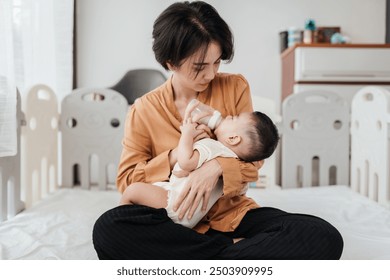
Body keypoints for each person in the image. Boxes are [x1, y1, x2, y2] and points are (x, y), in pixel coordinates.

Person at [93, 1, 343, 260]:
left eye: (217, 62)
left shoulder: (235, 87)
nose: (211, 74)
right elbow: (127, 181)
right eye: (200, 67)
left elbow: (254, 161)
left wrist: (216, 169)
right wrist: (176, 157)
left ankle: (200, 261)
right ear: (171, 63)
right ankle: (233, 257)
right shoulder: (143, 110)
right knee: (108, 228)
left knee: (322, 235)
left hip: (232, 216)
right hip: (172, 220)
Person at [119, 100, 279, 228]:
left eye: (233, 118)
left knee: (133, 191)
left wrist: (187, 135)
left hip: (174, 203)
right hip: (191, 217)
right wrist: (216, 120)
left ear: (233, 139)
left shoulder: (211, 146)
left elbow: (186, 162)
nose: (228, 116)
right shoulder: (235, 160)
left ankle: (121, 223)